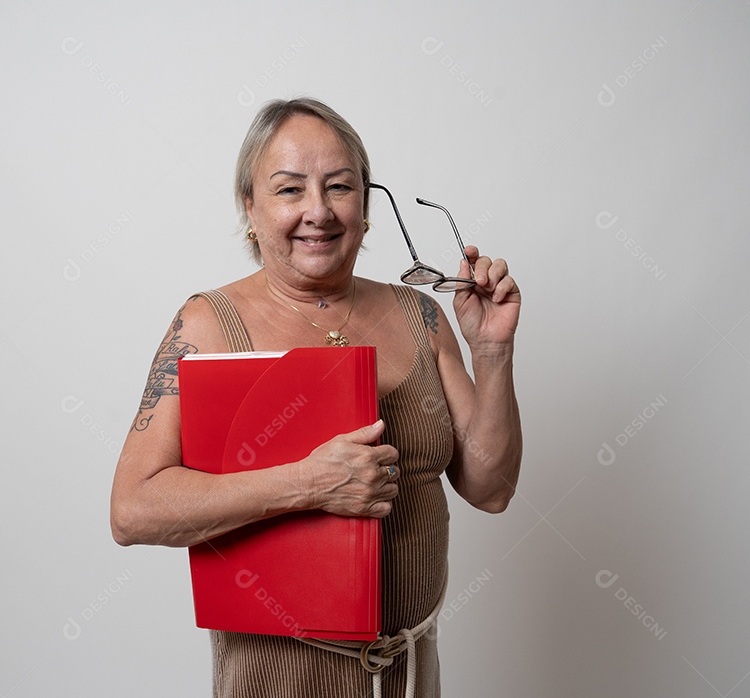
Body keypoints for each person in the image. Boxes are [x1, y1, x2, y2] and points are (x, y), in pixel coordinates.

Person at [110, 97, 522, 698]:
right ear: (249, 208)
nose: (318, 211)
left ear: (366, 204)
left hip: (408, 676)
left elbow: (492, 489)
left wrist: (492, 353)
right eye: (288, 190)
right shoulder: (207, 326)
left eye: (339, 186)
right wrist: (309, 483)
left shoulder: (421, 315)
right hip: (274, 679)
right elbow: (132, 510)